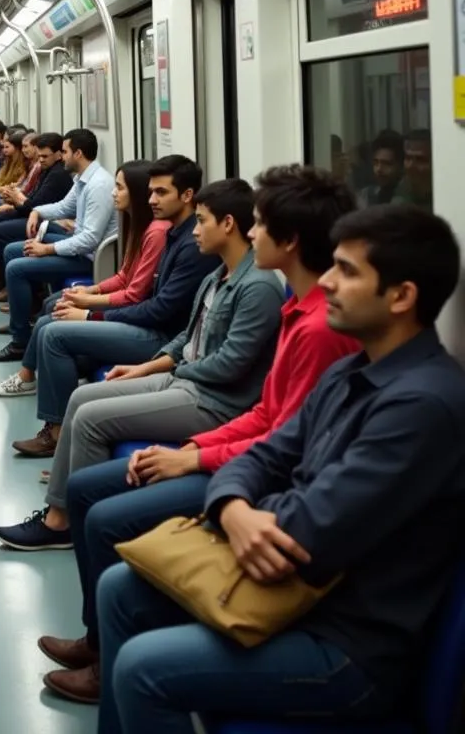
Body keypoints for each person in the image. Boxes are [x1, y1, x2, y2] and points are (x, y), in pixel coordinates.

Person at [97, 204, 465, 734]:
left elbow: (310, 529)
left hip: (347, 644)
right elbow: (268, 454)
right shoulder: (351, 370)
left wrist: (240, 510)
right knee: (120, 589)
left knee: (143, 669)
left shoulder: (423, 407)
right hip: (293, 596)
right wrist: (231, 505)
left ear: (402, 296)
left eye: (348, 272)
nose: (328, 284)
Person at [37, 164, 360, 705]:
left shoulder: (314, 324)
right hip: (237, 442)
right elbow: (272, 418)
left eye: (259, 225)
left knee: (101, 503)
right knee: (90, 476)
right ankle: (99, 642)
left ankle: (104, 652)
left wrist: (205, 464)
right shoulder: (288, 305)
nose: (253, 235)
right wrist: (196, 451)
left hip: (245, 450)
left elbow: (282, 435)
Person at [0, 178, 284, 551]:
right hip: (186, 381)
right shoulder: (219, 274)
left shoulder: (257, 286)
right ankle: (63, 512)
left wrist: (173, 370)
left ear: (227, 224)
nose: (195, 231)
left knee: (90, 419)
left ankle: (63, 522)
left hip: (212, 401)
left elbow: (230, 365)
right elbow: (188, 337)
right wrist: (145, 368)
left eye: (202, 221)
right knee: (83, 397)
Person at [0, 162, 168, 408]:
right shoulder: (136, 224)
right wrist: (90, 290)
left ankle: (29, 377)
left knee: (49, 322)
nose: (113, 193)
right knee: (53, 304)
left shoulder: (154, 232)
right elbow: (125, 276)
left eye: (120, 188)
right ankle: (31, 372)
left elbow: (134, 293)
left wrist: (88, 305)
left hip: (118, 293)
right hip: (121, 296)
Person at [0, 129, 117, 363]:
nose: (63, 156)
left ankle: (20, 342)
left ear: (78, 153)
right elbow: (62, 208)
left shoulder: (99, 185)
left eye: (66, 152)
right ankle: (22, 322)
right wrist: (36, 211)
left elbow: (89, 240)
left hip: (89, 258)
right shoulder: (82, 179)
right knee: (12, 250)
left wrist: (47, 249)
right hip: (78, 247)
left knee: (16, 268)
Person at [0, 132, 75, 293]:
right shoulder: (47, 169)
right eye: (40, 156)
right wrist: (18, 202)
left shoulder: (57, 175)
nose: (41, 159)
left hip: (46, 222)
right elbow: (35, 200)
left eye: (45, 156)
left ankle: (7, 283)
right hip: (35, 215)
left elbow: (36, 204)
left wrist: (17, 200)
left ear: (58, 155)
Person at [357, 129, 403, 207]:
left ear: (400, 166)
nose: (379, 169)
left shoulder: (405, 199)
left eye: (387, 164)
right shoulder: (366, 196)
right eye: (376, 163)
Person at [394, 128, 432, 210]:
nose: (411, 166)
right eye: (408, 158)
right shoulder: (403, 187)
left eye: (420, 160)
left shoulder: (446, 190)